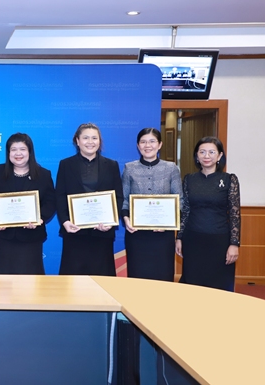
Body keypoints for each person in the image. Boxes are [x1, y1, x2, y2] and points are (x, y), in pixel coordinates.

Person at [56, 123, 123, 276]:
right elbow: (59, 195)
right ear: (77, 141)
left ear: (99, 141)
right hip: (75, 232)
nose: (90, 142)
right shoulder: (66, 164)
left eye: (94, 138)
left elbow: (118, 196)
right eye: (85, 138)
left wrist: (111, 221)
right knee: (73, 281)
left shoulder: (111, 165)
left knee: (102, 279)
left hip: (102, 233)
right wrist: (65, 221)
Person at [0, 133, 56, 275]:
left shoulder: (43, 174)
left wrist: (39, 219)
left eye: (22, 149)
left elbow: (51, 202)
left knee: (30, 281)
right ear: (8, 153)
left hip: (31, 237)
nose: (18, 153)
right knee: (2, 281)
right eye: (13, 149)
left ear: (30, 151)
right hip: (5, 237)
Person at [176, 137, 240, 291]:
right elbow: (185, 210)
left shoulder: (229, 179)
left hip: (219, 241)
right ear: (197, 155)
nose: (206, 156)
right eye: (202, 152)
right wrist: (179, 237)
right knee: (192, 285)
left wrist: (234, 244)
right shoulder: (189, 179)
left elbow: (234, 214)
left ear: (219, 156)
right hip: (193, 240)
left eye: (212, 152)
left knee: (219, 286)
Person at [121, 128, 182, 282]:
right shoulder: (129, 168)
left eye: (152, 141)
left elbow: (180, 200)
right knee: (137, 278)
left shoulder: (171, 168)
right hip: (137, 235)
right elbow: (124, 198)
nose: (147, 145)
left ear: (160, 144)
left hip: (163, 236)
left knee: (162, 278)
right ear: (138, 145)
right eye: (143, 142)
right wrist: (126, 219)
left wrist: (167, 224)